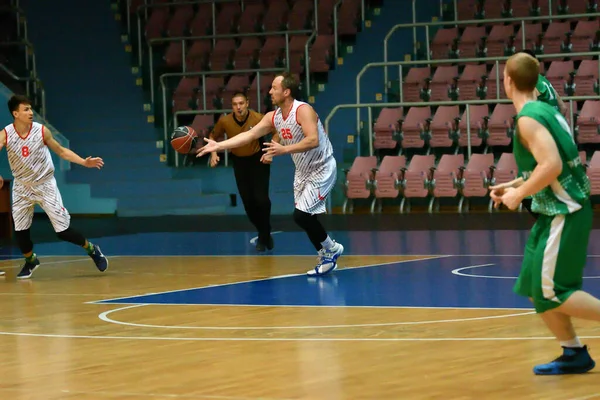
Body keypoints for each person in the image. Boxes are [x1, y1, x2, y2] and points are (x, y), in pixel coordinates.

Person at [489, 52, 596, 375]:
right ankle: (574, 352)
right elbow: (546, 165)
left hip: (565, 212)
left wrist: (519, 195)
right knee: (536, 289)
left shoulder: (529, 118)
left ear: (507, 81)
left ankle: (574, 351)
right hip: (555, 211)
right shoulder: (544, 110)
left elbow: (552, 165)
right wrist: (513, 184)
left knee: (553, 292)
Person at [198, 72, 344, 276]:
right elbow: (248, 135)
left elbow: (313, 140)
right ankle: (327, 252)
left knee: (301, 215)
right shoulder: (273, 117)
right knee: (303, 218)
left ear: (286, 91)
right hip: (302, 171)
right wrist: (219, 145)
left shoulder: (303, 110)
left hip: (322, 168)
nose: (270, 91)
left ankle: (331, 248)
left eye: (274, 88)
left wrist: (284, 150)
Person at [1, 95, 108, 279]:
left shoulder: (42, 131)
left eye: (30, 109)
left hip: (45, 185)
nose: (30, 112)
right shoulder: (6, 134)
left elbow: (61, 151)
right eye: (25, 109)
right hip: (21, 187)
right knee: (20, 232)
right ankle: (31, 260)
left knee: (63, 231)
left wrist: (84, 162)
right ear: (15, 113)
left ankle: (92, 249)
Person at [208, 92, 274, 251]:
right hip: (239, 162)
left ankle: (264, 236)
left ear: (247, 103)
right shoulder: (225, 121)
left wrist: (271, 151)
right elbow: (212, 135)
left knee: (262, 199)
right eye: (235, 104)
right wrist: (214, 153)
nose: (238, 107)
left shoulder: (258, 118)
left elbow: (276, 130)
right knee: (248, 204)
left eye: (241, 103)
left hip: (258, 159)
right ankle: (264, 232)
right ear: (232, 106)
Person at [518, 49, 568, 219]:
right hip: (554, 137)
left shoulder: (532, 84)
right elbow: (563, 108)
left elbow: (531, 107)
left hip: (542, 140)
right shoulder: (546, 82)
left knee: (530, 188)